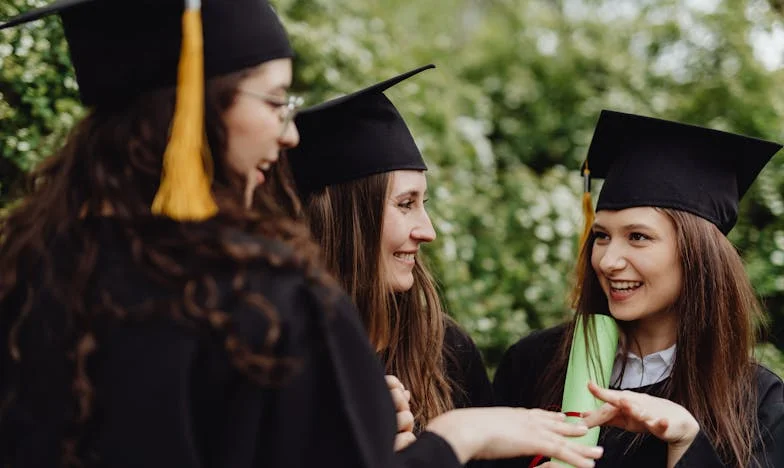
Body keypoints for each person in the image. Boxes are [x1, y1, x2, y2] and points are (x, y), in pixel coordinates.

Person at [0, 1, 606, 467]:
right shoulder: (270, 303)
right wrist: (451, 440)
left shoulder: (31, 277)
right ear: (196, 113)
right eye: (273, 102)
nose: (287, 134)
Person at [493, 110, 784, 467]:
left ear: (699, 257)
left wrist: (686, 444)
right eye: (601, 236)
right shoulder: (534, 362)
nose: (608, 260)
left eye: (637, 237)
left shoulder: (758, 403)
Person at [286, 65, 494, 443]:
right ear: (349, 222)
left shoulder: (447, 352)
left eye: (423, 202)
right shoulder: (272, 357)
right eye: (405, 203)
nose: (427, 231)